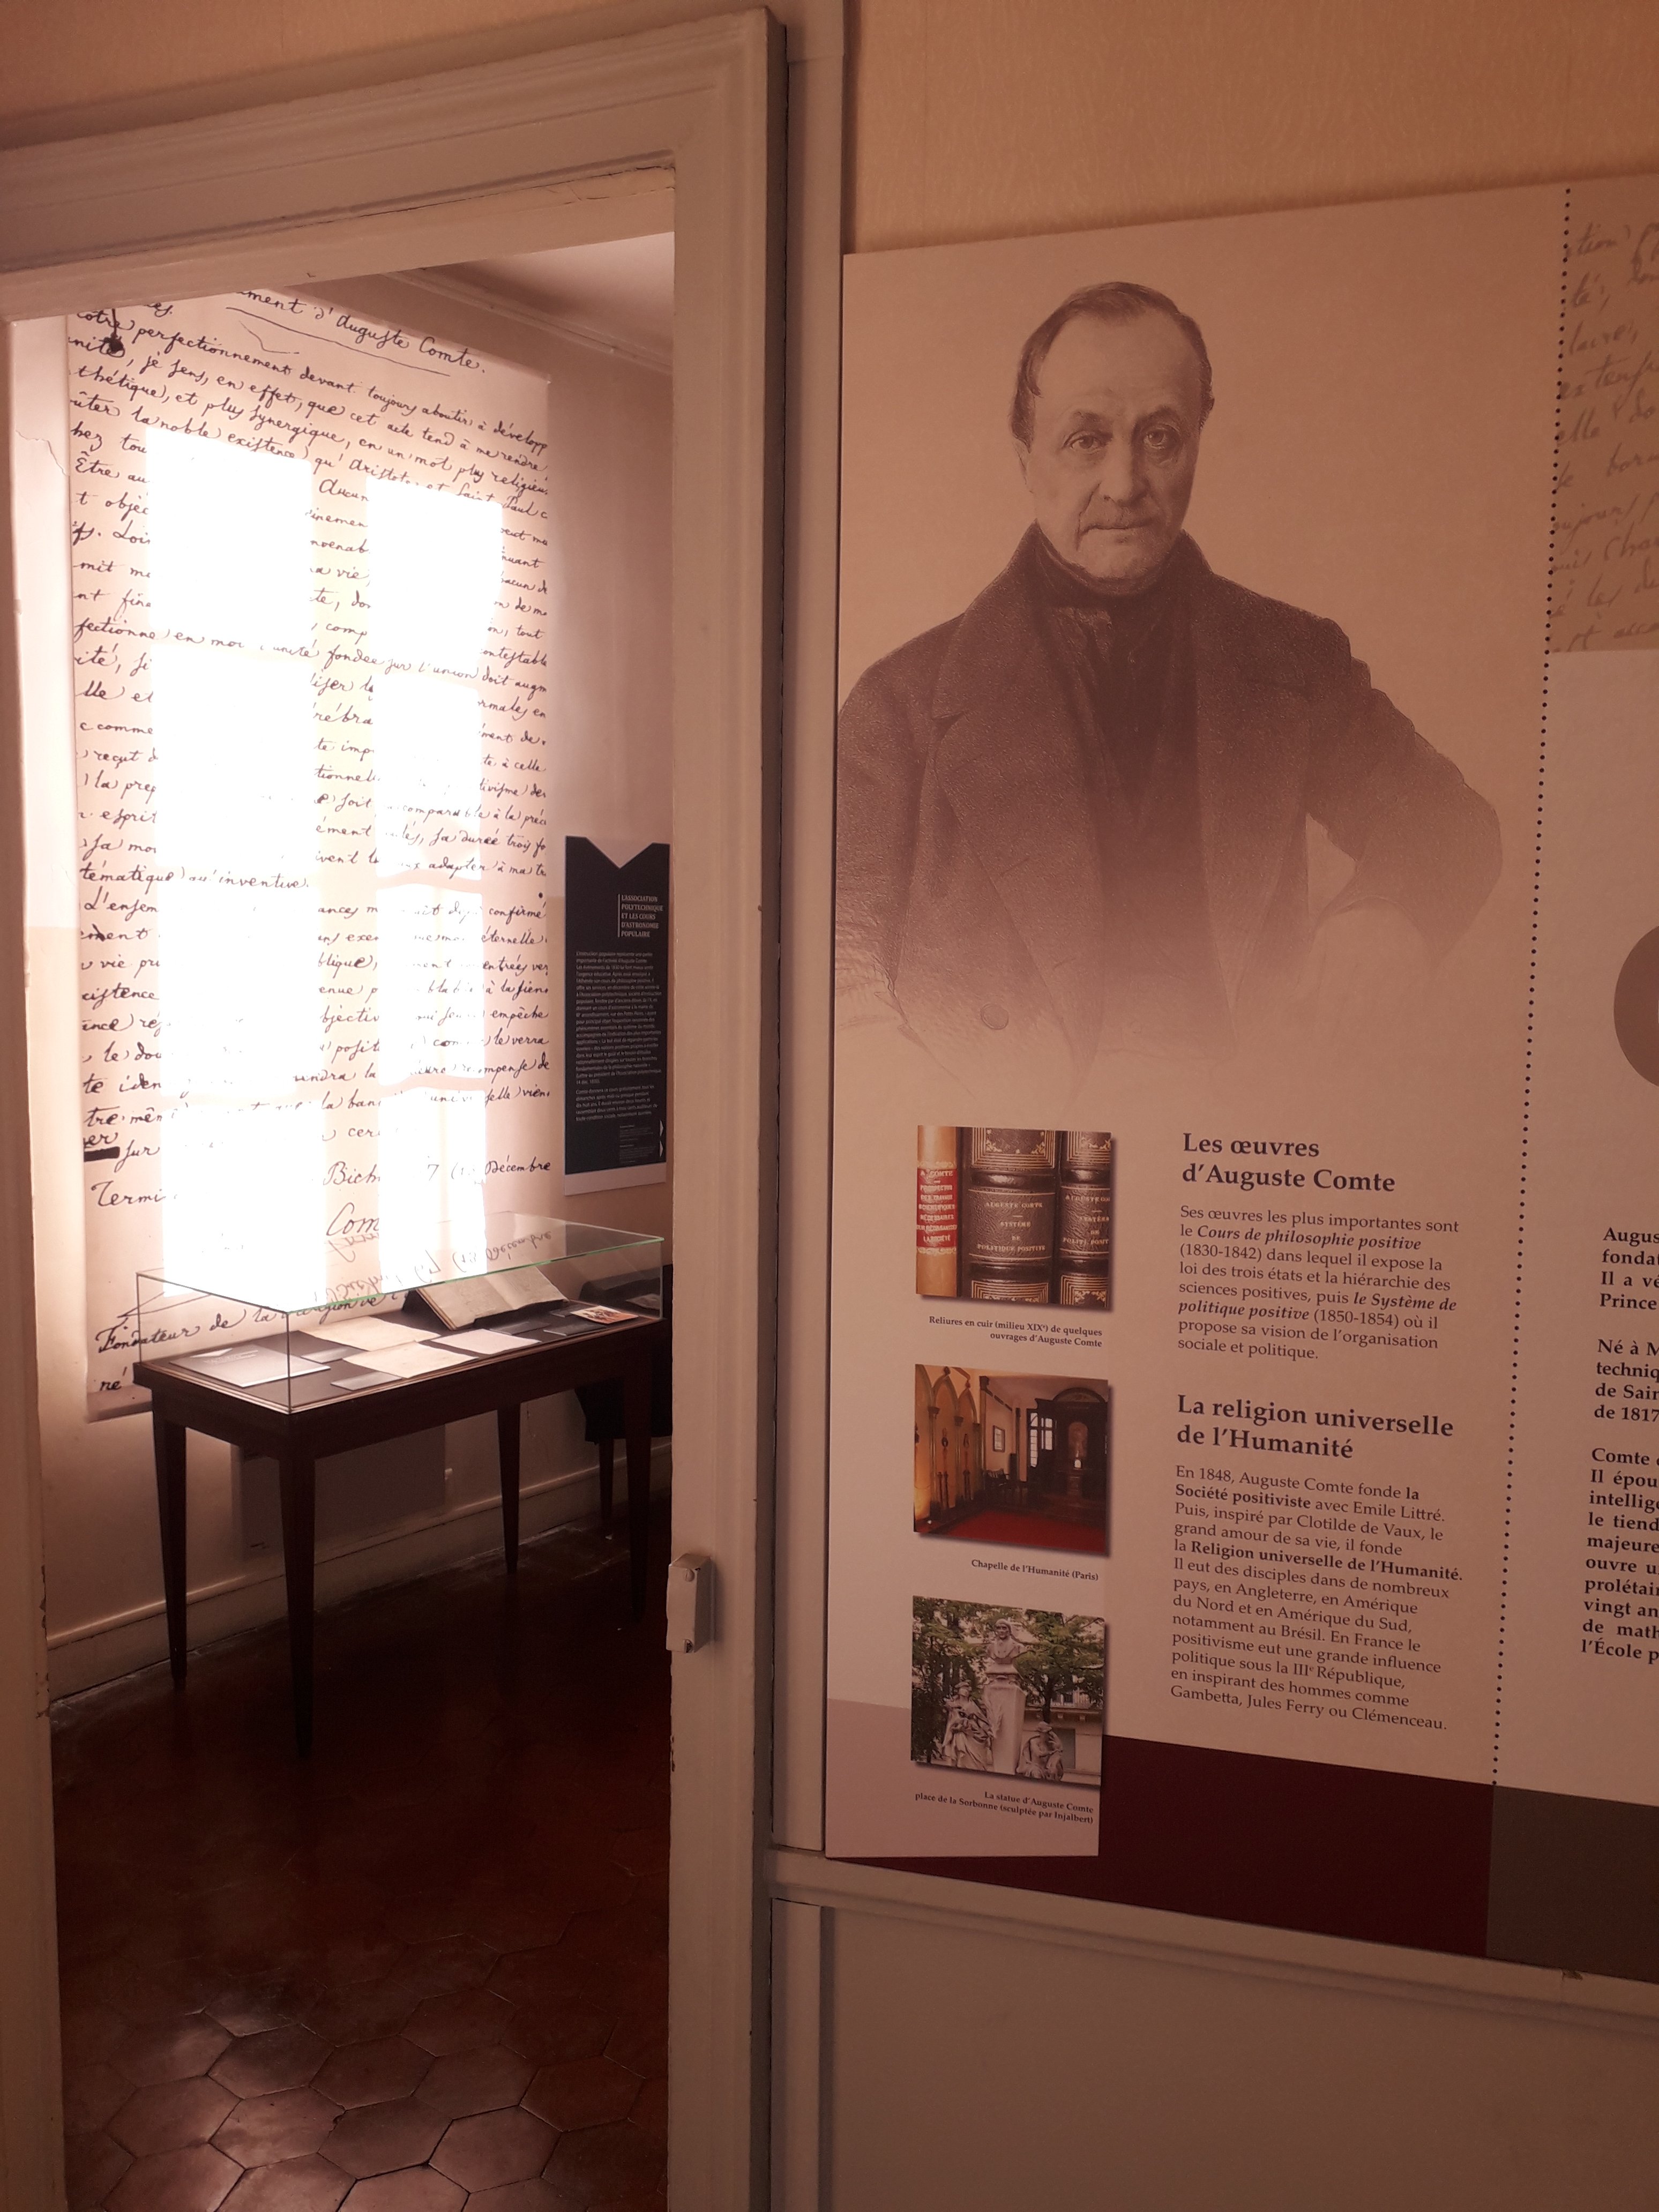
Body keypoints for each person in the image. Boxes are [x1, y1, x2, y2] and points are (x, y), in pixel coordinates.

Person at [835, 282, 1501, 1088]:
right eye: (1086, 440)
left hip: (1235, 1134)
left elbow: (1449, 822)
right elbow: (840, 977)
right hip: (1019, 1130)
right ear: (1025, 459)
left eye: (1159, 437)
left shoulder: (1292, 659)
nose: (1124, 483)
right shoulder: (898, 706)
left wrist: (1389, 914)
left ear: (1196, 446)